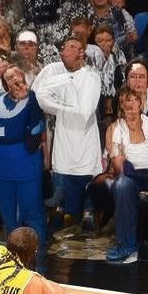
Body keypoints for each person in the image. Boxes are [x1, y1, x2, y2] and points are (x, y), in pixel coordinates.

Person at [0, 66, 47, 267]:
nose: (16, 79)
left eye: (18, 75)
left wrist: (47, 161)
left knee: (33, 214)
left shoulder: (34, 101)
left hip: (26, 162)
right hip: (1, 165)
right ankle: (14, 264)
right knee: (8, 217)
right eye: (10, 77)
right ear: (5, 84)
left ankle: (39, 262)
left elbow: (41, 135)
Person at [32, 36, 103, 236]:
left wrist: (62, 106)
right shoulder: (54, 71)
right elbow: (38, 95)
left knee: (87, 189)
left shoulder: (92, 76)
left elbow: (85, 110)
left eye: (75, 47)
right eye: (67, 47)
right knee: (60, 195)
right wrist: (62, 108)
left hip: (86, 142)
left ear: (82, 53)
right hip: (63, 141)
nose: (69, 51)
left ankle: (88, 217)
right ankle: (56, 222)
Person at [104, 86, 148, 264]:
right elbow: (119, 166)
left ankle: (135, 243)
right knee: (123, 183)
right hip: (130, 179)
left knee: (126, 183)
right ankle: (127, 245)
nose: (130, 104)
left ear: (141, 103)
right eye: (126, 100)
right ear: (121, 105)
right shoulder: (115, 129)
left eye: (134, 100)